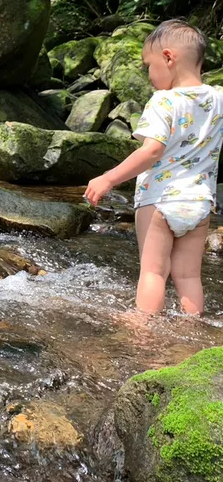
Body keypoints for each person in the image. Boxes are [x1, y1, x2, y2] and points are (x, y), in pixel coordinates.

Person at [84, 19, 223, 315]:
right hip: (199, 202)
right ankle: (192, 335)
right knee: (189, 276)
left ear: (169, 58)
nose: (148, 74)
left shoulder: (163, 101)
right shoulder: (218, 98)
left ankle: (143, 332)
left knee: (153, 273)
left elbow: (152, 150)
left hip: (159, 200)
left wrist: (108, 178)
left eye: (149, 65)